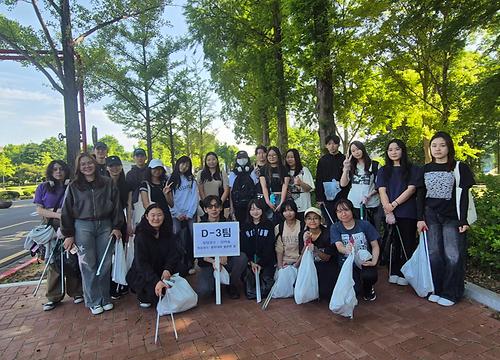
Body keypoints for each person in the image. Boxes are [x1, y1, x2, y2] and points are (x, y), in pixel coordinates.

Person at [416, 131, 475, 307]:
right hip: (430, 216)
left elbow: (464, 195)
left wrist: (463, 220)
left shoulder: (458, 167)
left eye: (442, 145)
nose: (438, 149)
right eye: (434, 145)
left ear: (449, 147)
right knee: (434, 254)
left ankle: (452, 293)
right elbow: (420, 195)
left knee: (453, 255)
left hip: (452, 217)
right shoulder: (425, 169)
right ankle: (438, 289)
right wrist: (420, 219)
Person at [61, 153, 123, 315]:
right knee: (88, 264)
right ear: (78, 168)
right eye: (83, 164)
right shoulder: (74, 186)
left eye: (89, 163)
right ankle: (93, 300)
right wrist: (68, 234)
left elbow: (117, 205)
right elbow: (66, 210)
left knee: (105, 262)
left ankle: (105, 297)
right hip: (83, 226)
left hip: (105, 225)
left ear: (95, 164)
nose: (87, 166)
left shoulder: (107, 182)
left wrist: (117, 226)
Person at [34, 160, 83, 311]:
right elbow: (40, 210)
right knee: (53, 261)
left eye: (61, 169)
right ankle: (53, 295)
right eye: (55, 169)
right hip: (52, 226)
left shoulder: (72, 186)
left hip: (71, 226)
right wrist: (57, 215)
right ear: (50, 171)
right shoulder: (43, 187)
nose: (58, 172)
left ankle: (76, 291)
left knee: (73, 257)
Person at [376, 139, 420, 286]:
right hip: (388, 212)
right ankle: (393, 270)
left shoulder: (412, 169)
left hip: (407, 212)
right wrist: (387, 209)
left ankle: (405, 272)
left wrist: (393, 204)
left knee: (407, 242)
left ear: (403, 150)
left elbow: (411, 189)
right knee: (392, 243)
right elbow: (381, 190)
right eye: (390, 150)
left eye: (397, 149)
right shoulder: (383, 170)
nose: (393, 152)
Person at [126, 204, 180, 308]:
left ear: (164, 216)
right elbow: (141, 262)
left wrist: (168, 269)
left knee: (173, 291)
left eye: (159, 215)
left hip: (163, 271)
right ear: (147, 216)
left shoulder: (168, 232)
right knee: (154, 297)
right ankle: (142, 293)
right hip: (146, 273)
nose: (156, 218)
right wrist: (156, 281)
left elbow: (174, 253)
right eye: (153, 215)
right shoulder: (141, 235)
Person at [196, 196, 247, 299]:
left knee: (242, 257)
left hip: (226, 261)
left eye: (216, 206)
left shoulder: (228, 224)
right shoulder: (200, 227)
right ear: (205, 209)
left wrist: (226, 254)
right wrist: (213, 261)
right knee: (204, 291)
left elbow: (236, 245)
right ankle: (215, 284)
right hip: (208, 264)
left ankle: (231, 284)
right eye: (210, 207)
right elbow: (199, 254)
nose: (214, 209)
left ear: (221, 208)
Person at [331, 199, 380, 301]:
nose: (343, 214)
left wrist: (374, 262)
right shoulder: (335, 227)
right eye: (339, 211)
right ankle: (358, 285)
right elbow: (339, 246)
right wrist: (346, 250)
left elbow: (375, 245)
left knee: (370, 276)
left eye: (346, 210)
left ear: (352, 210)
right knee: (356, 290)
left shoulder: (364, 225)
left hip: (364, 261)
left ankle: (368, 288)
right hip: (346, 263)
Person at [298, 207, 338, 300]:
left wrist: (315, 250)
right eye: (309, 218)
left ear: (321, 220)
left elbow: (327, 258)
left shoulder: (328, 233)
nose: (312, 221)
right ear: (305, 221)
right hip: (311, 265)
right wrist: (306, 243)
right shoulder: (302, 234)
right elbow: (302, 254)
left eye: (315, 218)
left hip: (327, 265)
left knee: (325, 293)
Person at [340, 141, 381, 229]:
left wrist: (368, 196)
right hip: (354, 205)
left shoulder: (374, 165)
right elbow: (343, 184)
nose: (356, 152)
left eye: (358, 149)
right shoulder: (351, 166)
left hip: (372, 205)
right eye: (353, 151)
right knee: (357, 231)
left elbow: (380, 186)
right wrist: (346, 169)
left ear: (363, 149)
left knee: (372, 231)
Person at [240, 199, 276, 299]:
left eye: (258, 209)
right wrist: (251, 262)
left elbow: (270, 246)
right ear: (248, 211)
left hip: (266, 261)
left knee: (267, 281)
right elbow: (244, 246)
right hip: (250, 263)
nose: (255, 212)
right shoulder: (245, 226)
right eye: (252, 209)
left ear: (262, 210)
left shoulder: (269, 225)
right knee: (250, 282)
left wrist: (260, 263)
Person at [169, 156, 199, 275]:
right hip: (176, 214)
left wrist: (190, 213)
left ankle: (190, 262)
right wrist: (176, 213)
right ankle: (179, 262)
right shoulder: (171, 179)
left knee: (192, 236)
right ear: (177, 164)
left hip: (190, 214)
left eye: (187, 165)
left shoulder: (191, 180)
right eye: (182, 164)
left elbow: (194, 197)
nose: (184, 167)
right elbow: (169, 199)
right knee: (176, 234)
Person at [106, 156, 131, 299]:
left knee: (120, 253)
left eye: (117, 165)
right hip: (105, 222)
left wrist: (128, 224)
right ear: (107, 167)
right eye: (111, 166)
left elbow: (128, 205)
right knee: (109, 254)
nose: (114, 168)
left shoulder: (125, 184)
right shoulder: (103, 183)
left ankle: (120, 283)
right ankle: (110, 285)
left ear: (121, 167)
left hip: (120, 221)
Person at [315, 135, 347, 226]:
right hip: (326, 196)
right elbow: (319, 179)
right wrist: (319, 198)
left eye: (334, 144)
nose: (332, 146)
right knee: (330, 221)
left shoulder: (344, 159)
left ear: (338, 145)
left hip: (342, 194)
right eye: (329, 144)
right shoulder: (322, 160)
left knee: (343, 218)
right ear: (326, 146)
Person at [139, 159, 173, 231]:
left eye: (160, 169)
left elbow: (171, 204)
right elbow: (146, 205)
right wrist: (156, 216)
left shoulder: (165, 183)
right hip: (153, 218)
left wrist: (166, 194)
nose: (157, 171)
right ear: (150, 169)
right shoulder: (145, 184)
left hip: (166, 216)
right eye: (155, 168)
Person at [259, 146, 290, 224]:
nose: (271, 157)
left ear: (278, 156)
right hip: (268, 198)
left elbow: (285, 185)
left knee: (282, 220)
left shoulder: (284, 169)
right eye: (269, 155)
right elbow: (264, 186)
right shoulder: (263, 169)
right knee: (269, 221)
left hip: (281, 197)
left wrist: (282, 202)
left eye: (274, 155)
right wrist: (268, 202)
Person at [197, 152, 230, 217]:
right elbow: (201, 190)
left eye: (213, 159)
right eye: (208, 160)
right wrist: (207, 204)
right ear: (205, 162)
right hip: (205, 205)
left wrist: (219, 204)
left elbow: (226, 190)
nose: (211, 161)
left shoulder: (222, 173)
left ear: (217, 160)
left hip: (218, 205)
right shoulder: (200, 174)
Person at [229, 150, 258, 223]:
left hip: (251, 205)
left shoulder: (252, 171)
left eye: (244, 158)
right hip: (237, 206)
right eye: (240, 158)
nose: (242, 160)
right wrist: (231, 207)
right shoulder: (233, 173)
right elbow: (230, 191)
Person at [285, 149, 315, 220]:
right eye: (288, 157)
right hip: (289, 206)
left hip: (303, 204)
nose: (290, 159)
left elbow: (309, 188)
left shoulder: (304, 170)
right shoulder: (284, 171)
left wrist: (300, 183)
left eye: (292, 157)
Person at [275, 199, 303, 269]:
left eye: (291, 210)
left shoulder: (303, 225)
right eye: (285, 211)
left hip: (301, 261)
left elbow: (305, 247)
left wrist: (297, 264)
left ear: (295, 211)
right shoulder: (279, 227)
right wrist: (280, 266)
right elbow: (279, 249)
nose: (288, 213)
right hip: (285, 262)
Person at [126, 148, 148, 232]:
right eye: (137, 156)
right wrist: (130, 209)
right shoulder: (130, 174)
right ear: (134, 158)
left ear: (145, 157)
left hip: (150, 204)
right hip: (135, 206)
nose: (140, 158)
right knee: (138, 230)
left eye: (142, 156)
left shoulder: (150, 171)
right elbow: (129, 193)